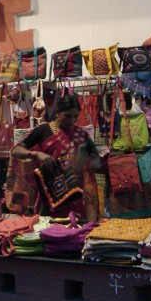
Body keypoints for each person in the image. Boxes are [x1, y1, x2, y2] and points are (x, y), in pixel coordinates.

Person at [10, 94, 101, 222]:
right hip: (49, 194)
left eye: (75, 116)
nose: (72, 120)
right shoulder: (43, 130)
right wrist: (37, 154)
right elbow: (16, 151)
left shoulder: (82, 135)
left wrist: (88, 162)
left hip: (76, 195)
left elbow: (95, 162)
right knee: (50, 230)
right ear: (58, 112)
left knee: (77, 232)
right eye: (68, 116)